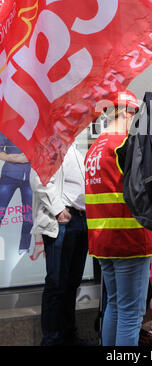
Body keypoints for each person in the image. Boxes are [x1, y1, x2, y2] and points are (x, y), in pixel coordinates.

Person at [85, 90, 152, 346]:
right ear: (127, 111)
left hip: (103, 241)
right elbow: (144, 189)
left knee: (115, 305)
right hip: (129, 238)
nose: (133, 118)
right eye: (134, 113)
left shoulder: (95, 147)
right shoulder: (123, 143)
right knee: (131, 314)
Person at [30, 143, 89, 346]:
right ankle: (52, 340)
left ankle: (68, 335)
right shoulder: (50, 143)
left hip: (80, 219)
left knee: (72, 283)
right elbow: (38, 178)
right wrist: (57, 210)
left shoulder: (75, 147)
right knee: (56, 283)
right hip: (63, 220)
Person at [0, 131, 33, 253]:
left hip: (30, 176)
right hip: (9, 174)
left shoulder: (36, 126)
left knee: (29, 216)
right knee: (0, 211)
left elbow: (44, 149)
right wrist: (12, 158)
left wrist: (30, 156)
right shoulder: (7, 126)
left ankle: (24, 247)